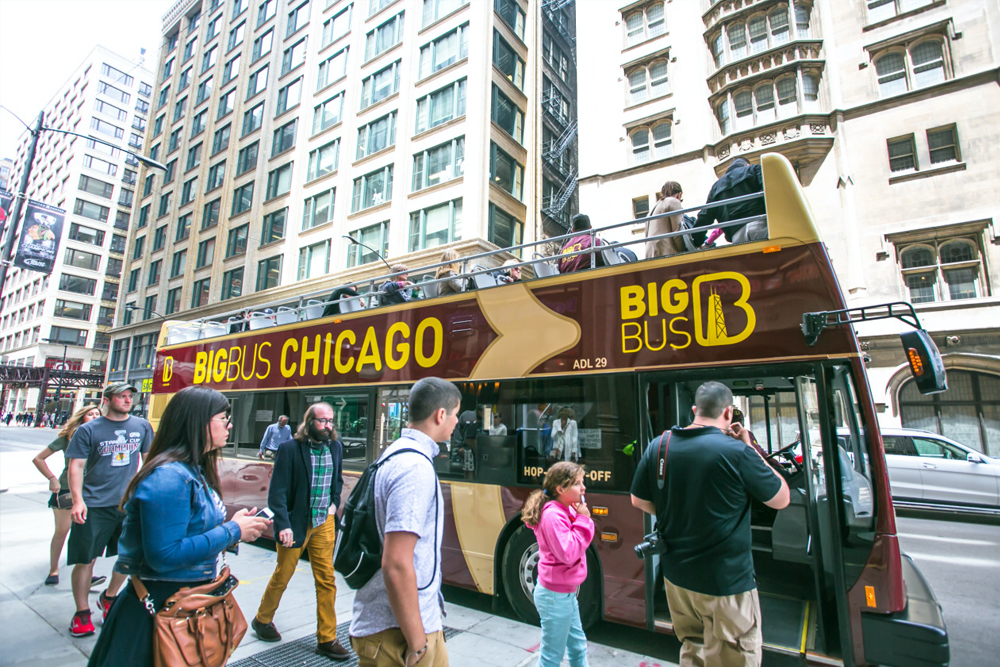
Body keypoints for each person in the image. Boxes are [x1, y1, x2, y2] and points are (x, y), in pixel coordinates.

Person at [87, 386, 270, 667]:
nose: (229, 424)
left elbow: (190, 532)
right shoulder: (169, 478)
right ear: (197, 422)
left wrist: (235, 529)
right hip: (157, 614)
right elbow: (164, 555)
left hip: (184, 606)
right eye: (223, 417)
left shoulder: (193, 470)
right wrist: (232, 531)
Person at [630, 381, 790, 667]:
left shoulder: (660, 444)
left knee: (694, 650)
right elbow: (781, 499)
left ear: (695, 410)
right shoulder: (738, 453)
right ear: (728, 413)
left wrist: (674, 511)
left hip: (678, 580)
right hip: (725, 583)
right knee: (734, 656)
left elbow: (638, 500)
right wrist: (750, 446)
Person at [349, 377, 460, 667]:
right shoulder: (415, 468)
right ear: (440, 415)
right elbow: (396, 563)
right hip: (398, 634)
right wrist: (418, 644)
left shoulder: (395, 454)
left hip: (400, 626)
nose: (457, 421)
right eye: (456, 413)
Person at [252, 402, 349, 660]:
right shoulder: (290, 450)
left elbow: (337, 481)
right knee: (283, 574)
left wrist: (334, 504)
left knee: (327, 580)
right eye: (322, 421)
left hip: (323, 524)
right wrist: (283, 525)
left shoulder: (336, 448)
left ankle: (327, 638)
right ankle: (262, 620)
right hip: (296, 524)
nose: (328, 426)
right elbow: (278, 492)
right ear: (309, 424)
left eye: (330, 421)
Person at [65, 382, 154, 638]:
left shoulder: (141, 426)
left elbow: (149, 461)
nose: (127, 400)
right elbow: (76, 467)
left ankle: (110, 597)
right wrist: (78, 500)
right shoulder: (88, 430)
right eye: (121, 396)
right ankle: (82, 613)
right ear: (107, 399)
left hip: (127, 504)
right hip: (94, 505)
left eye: (130, 397)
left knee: (130, 556)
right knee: (86, 559)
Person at [521, 461, 593, 667]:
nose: (584, 488)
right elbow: (568, 552)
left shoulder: (562, 510)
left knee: (578, 647)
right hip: (555, 597)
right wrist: (583, 520)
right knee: (551, 657)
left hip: (564, 594)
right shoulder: (553, 516)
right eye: (578, 483)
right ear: (561, 489)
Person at [32, 404, 105, 587]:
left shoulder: (103, 436)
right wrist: (52, 478)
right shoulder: (69, 437)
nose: (95, 416)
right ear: (82, 417)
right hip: (66, 489)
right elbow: (38, 458)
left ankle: (87, 574)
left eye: (98, 414)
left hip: (92, 491)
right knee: (62, 531)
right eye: (91, 414)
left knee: (89, 536)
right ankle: (53, 569)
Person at [693, 158, 767, 246]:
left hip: (736, 235)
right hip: (760, 223)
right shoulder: (753, 169)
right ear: (747, 165)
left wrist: (697, 241)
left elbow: (705, 216)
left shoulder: (716, 186)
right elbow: (769, 191)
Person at [645, 181, 686, 258]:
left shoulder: (652, 210)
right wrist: (683, 250)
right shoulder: (673, 202)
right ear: (679, 195)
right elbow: (677, 232)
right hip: (666, 252)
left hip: (650, 254)